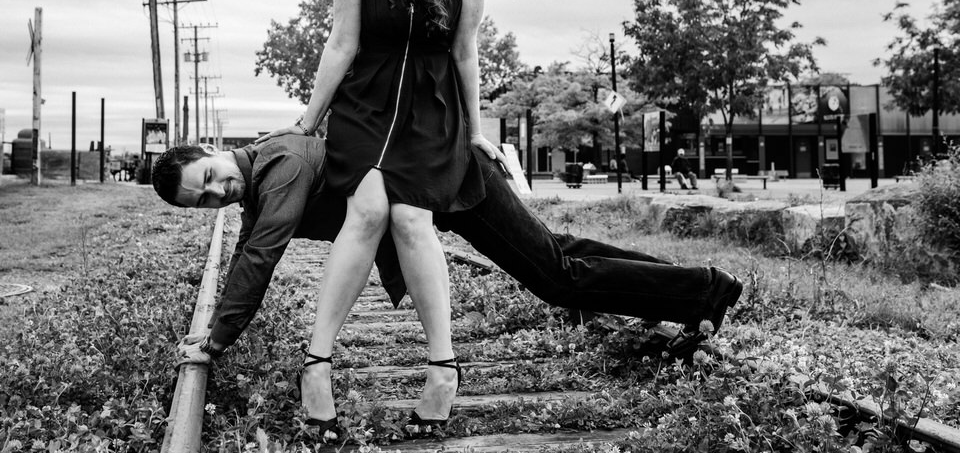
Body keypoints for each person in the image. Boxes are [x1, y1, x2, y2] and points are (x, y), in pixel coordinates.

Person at [251, 0, 498, 439]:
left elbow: (465, 53)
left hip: (431, 111)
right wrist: (310, 121)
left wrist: (476, 130)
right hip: (365, 106)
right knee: (367, 210)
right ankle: (317, 364)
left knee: (413, 217)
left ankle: (443, 371)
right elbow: (342, 42)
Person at [153, 138, 743, 374]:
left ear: (214, 149)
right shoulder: (258, 186)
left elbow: (259, 257)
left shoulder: (277, 166)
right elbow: (248, 252)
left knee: (555, 279)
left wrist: (216, 338)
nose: (216, 192)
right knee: (558, 255)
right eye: (203, 199)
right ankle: (682, 283)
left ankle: (704, 290)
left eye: (209, 176)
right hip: (439, 185)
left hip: (453, 180)